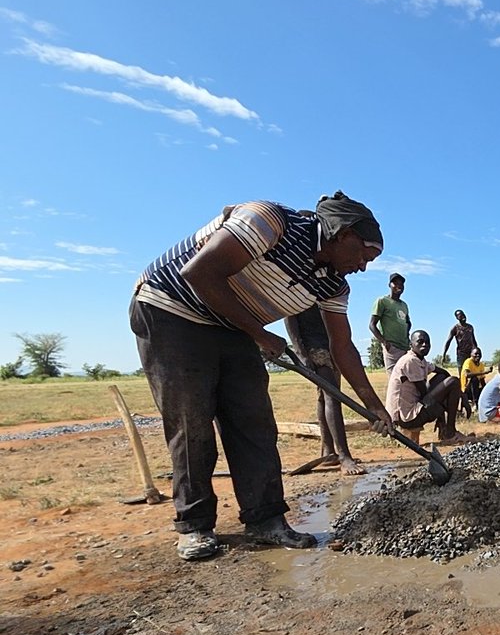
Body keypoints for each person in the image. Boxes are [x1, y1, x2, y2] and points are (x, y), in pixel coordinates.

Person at [130, 191, 392, 562]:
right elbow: (199, 273)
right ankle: (196, 526)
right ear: (342, 233)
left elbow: (342, 348)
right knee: (192, 422)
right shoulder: (270, 221)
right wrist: (260, 333)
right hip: (172, 311)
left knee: (254, 421)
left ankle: (266, 520)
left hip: (232, 324)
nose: (364, 266)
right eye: (365, 255)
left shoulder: (334, 284)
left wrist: (374, 407)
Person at [284, 305, 366, 476]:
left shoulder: (327, 288)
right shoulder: (302, 285)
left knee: (324, 396)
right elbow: (289, 315)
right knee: (332, 396)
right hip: (314, 347)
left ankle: (328, 451)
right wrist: (301, 353)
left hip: (332, 346)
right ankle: (344, 456)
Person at [384, 329, 468, 444]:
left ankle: (445, 429)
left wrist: (460, 395)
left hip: (412, 410)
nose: (425, 345)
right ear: (411, 345)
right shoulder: (410, 361)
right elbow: (425, 394)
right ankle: (450, 432)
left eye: (427, 343)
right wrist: (447, 403)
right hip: (407, 417)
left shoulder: (420, 360)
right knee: (452, 382)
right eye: (420, 342)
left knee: (442, 379)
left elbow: (444, 373)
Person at [368, 272, 411, 373]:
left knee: (407, 379)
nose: (399, 286)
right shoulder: (382, 301)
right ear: (389, 285)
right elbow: (372, 325)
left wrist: (407, 338)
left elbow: (408, 323)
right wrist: (384, 342)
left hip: (404, 347)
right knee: (394, 379)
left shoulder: (404, 305)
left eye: (401, 284)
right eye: (395, 283)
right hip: (392, 348)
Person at [458, 346, 492, 417]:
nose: (478, 355)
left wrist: (486, 391)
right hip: (466, 388)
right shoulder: (468, 362)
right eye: (475, 354)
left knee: (485, 387)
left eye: (479, 354)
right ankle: (475, 404)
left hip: (475, 389)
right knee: (474, 379)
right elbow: (467, 375)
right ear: (471, 355)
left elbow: (482, 380)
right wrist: (484, 372)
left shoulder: (481, 365)